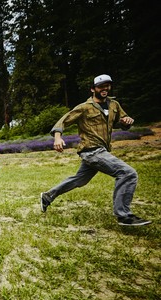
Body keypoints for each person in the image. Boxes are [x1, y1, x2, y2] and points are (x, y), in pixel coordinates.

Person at [40, 74, 151, 226]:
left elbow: (122, 123)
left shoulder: (114, 105)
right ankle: (124, 215)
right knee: (128, 173)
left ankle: (47, 196)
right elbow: (63, 121)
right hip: (91, 151)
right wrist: (57, 138)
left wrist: (127, 122)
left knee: (80, 180)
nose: (105, 88)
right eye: (101, 86)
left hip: (102, 150)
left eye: (107, 85)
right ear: (93, 89)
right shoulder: (84, 107)